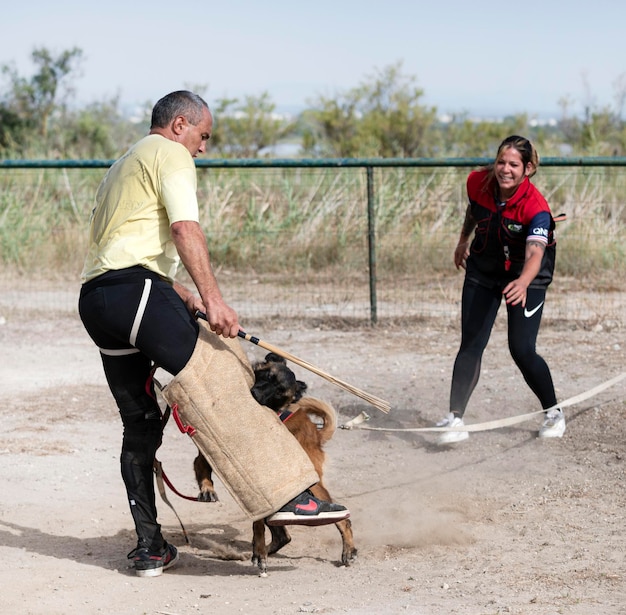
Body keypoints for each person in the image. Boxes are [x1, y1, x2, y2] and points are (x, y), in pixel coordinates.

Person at [78, 90, 348, 577]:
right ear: (181, 125)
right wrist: (215, 299)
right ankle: (296, 499)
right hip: (137, 291)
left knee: (139, 424)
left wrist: (182, 292)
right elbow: (186, 229)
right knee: (227, 376)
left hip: (98, 301)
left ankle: (150, 548)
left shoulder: (124, 161)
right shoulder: (172, 154)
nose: (203, 147)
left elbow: (120, 249)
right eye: (203, 135)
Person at [437, 135, 565, 445]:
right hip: (484, 269)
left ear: (528, 169)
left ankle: (554, 412)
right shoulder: (477, 182)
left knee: (521, 348)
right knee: (471, 343)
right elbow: (474, 211)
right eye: (501, 162)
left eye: (513, 164)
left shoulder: (536, 208)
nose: (505, 169)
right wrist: (463, 240)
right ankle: (455, 419)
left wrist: (522, 282)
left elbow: (535, 252)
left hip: (528, 278)